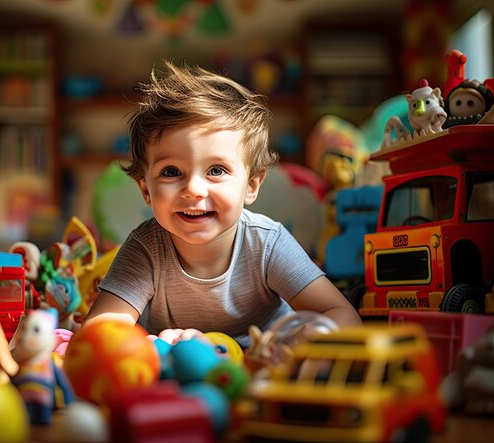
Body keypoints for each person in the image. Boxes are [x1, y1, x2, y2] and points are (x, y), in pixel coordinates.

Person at [84, 60, 361, 347]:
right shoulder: (146, 247)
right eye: (171, 172)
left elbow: (341, 313)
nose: (192, 189)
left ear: (252, 184)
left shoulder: (268, 243)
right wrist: (153, 345)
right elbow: (98, 331)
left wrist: (303, 340)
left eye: (216, 170)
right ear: (146, 190)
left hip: (262, 365)